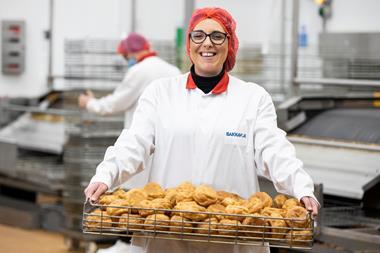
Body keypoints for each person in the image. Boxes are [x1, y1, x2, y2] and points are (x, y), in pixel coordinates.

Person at [85, 7, 319, 253]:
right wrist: (105, 175)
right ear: (189, 43)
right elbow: (133, 143)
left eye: (217, 36)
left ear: (230, 44)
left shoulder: (253, 98)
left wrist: (302, 187)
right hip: (169, 233)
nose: (207, 43)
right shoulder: (160, 93)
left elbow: (275, 149)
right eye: (199, 35)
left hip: (232, 234)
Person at [78, 32, 181, 129]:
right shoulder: (174, 71)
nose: (127, 60)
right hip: (169, 137)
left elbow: (115, 104)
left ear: (131, 52)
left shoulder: (138, 71)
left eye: (125, 56)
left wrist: (89, 103)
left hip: (144, 139)